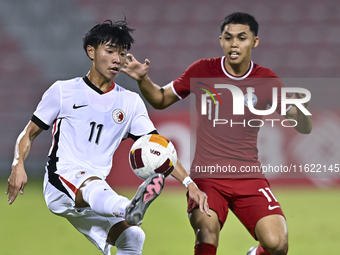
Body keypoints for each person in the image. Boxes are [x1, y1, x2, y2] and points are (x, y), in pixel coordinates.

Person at [6, 19, 209, 255]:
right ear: (91, 51)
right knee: (95, 188)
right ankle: (128, 207)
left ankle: (129, 210)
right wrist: (17, 163)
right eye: (110, 51)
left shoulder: (130, 102)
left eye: (122, 54)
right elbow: (28, 133)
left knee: (132, 237)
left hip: (97, 193)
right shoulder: (63, 91)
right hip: (61, 181)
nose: (117, 59)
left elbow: (159, 149)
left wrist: (189, 183)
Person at [122, 12, 312, 255]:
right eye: (228, 37)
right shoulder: (203, 70)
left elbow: (303, 126)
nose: (234, 44)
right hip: (207, 178)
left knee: (277, 243)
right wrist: (142, 79)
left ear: (254, 41)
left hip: (248, 176)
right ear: (221, 40)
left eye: (241, 38)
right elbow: (160, 99)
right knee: (206, 230)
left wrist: (299, 112)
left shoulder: (267, 81)